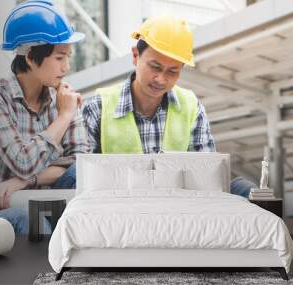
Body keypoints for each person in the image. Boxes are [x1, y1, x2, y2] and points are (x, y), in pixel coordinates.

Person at [83, 15, 256, 197]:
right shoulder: (98, 107)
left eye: (173, 71)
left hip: (179, 211)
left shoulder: (191, 107)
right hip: (119, 212)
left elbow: (207, 176)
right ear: (135, 56)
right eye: (155, 67)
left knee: (246, 191)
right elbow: (86, 182)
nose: (161, 79)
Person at [0, 0, 90, 234]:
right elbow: (22, 163)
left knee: (79, 176)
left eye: (68, 57)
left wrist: (26, 181)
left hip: (43, 204)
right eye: (60, 58)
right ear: (31, 57)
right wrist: (63, 117)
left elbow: (81, 164)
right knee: (30, 219)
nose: (67, 67)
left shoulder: (65, 98)